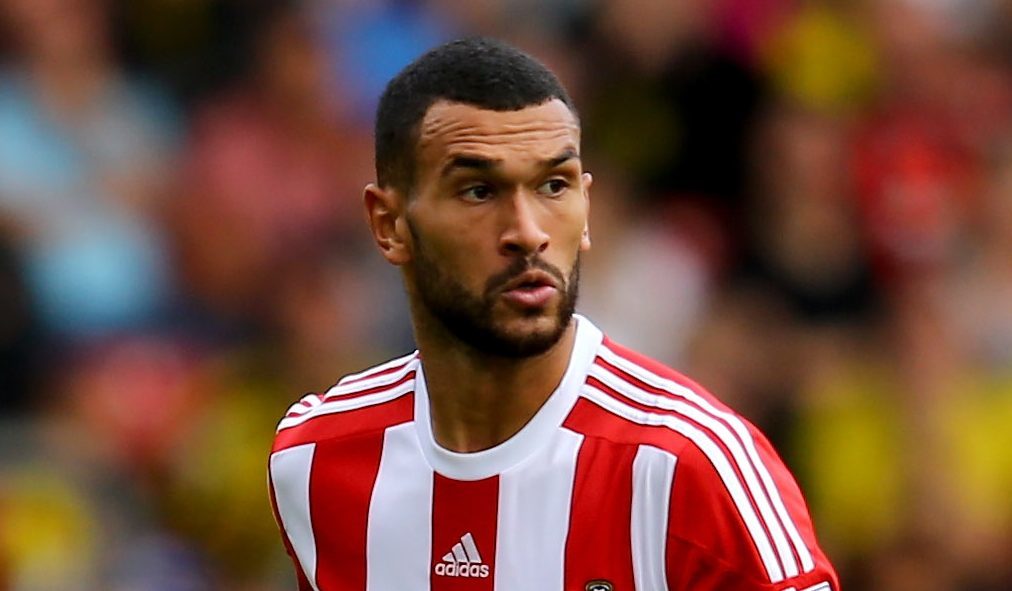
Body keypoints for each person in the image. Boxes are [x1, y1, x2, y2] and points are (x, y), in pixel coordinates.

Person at [268, 37, 840, 591]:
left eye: (553, 185)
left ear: (587, 209)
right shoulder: (313, 462)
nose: (529, 232)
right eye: (478, 191)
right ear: (389, 224)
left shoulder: (690, 467)